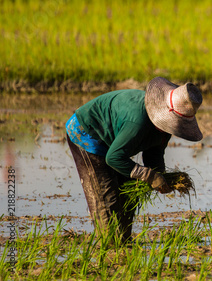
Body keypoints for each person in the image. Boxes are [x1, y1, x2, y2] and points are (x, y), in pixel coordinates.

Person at [65, 77, 203, 242]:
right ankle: (109, 245)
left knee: (128, 195)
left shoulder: (163, 130)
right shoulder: (137, 122)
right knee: (107, 197)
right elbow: (114, 158)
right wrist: (149, 176)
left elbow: (154, 153)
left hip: (114, 143)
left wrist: (161, 176)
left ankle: (123, 240)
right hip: (87, 133)